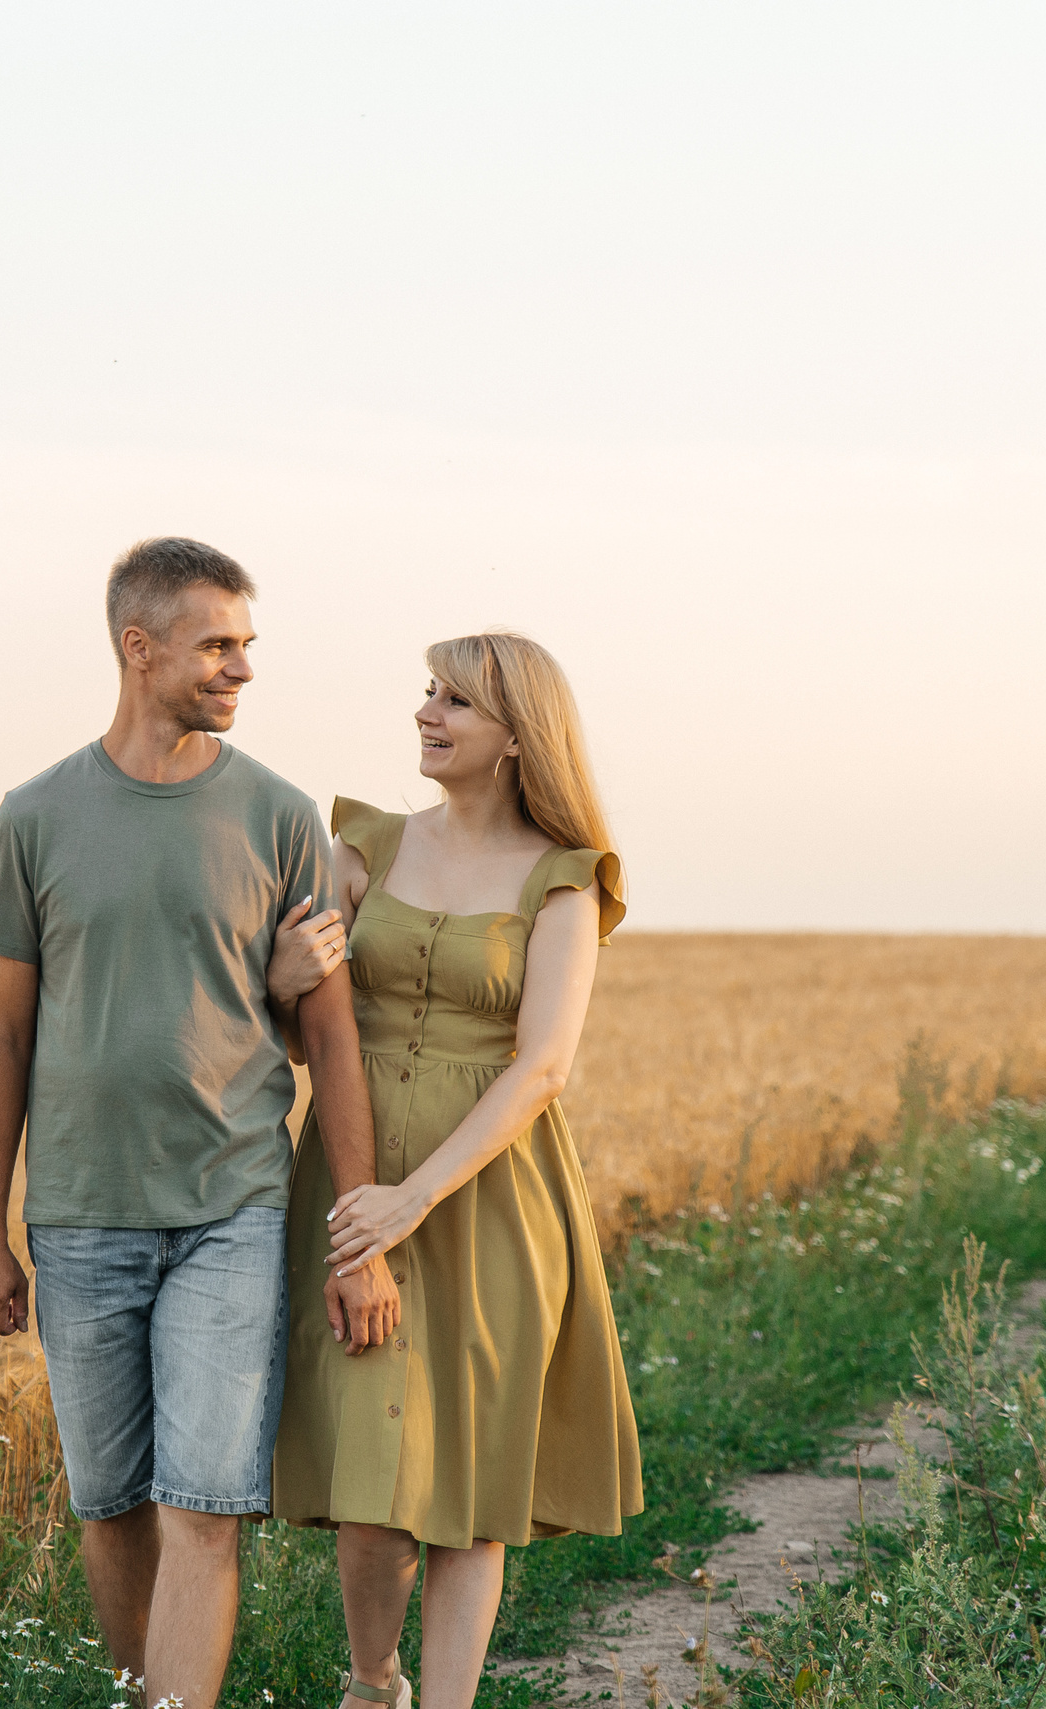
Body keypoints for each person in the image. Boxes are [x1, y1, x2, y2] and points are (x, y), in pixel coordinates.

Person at [0, 538, 400, 1709]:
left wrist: (362, 1234)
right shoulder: (34, 816)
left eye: (247, 644)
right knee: (111, 1508)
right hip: (80, 1213)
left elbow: (337, 1038)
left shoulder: (278, 813)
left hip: (231, 1209)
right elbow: (2, 1041)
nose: (241, 667)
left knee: (203, 1505)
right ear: (136, 647)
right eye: (216, 643)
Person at [265, 630, 642, 1709]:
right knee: (373, 1483)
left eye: (456, 703)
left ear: (518, 737)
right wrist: (286, 979)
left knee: (470, 1477)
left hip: (489, 1198)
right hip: (346, 1180)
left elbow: (543, 1066)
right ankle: (373, 1681)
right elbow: (300, 1031)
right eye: (426, 693)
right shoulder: (361, 847)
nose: (427, 715)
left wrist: (410, 1200)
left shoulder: (564, 880)